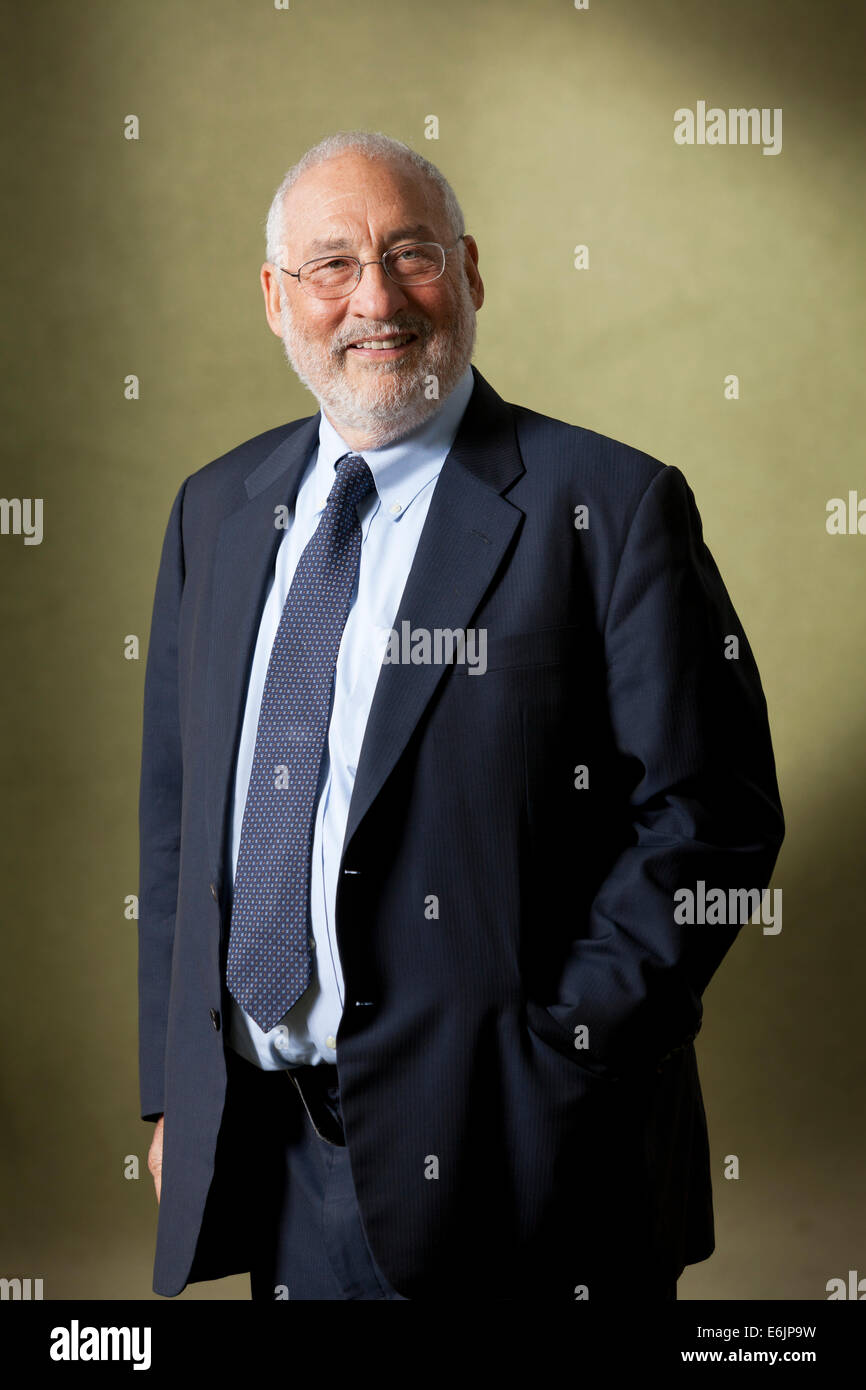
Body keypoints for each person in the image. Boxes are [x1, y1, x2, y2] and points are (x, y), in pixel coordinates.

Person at [138, 130, 784, 1302]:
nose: (375, 299)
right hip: (279, 1158)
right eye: (332, 265)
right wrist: (178, 1086)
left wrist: (554, 1060)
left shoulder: (611, 504)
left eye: (411, 254)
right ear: (276, 299)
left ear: (470, 273)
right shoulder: (215, 512)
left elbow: (714, 820)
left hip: (532, 1170)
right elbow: (182, 821)